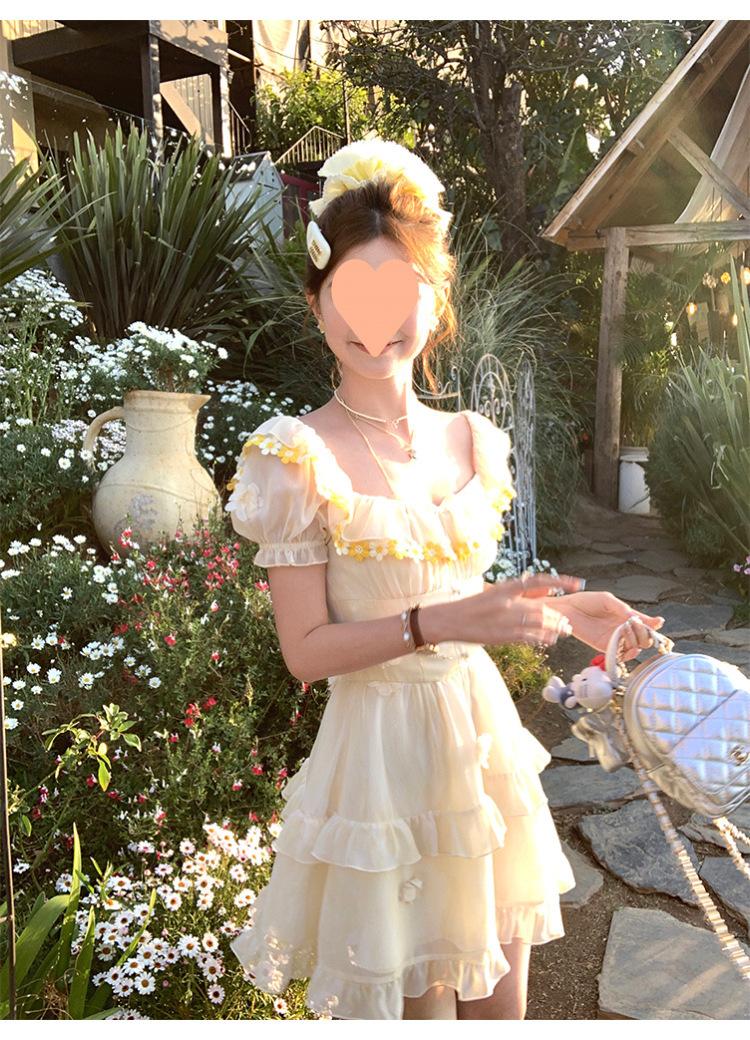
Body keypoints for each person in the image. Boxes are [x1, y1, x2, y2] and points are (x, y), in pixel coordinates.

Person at [225, 138, 665, 1021]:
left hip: (477, 747)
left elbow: (462, 592)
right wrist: (441, 622)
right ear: (317, 304)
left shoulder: (472, 441)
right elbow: (305, 652)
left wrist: (565, 608)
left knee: (503, 1013)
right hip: (379, 763)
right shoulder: (294, 456)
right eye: (352, 291)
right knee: (419, 1013)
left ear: (435, 299)